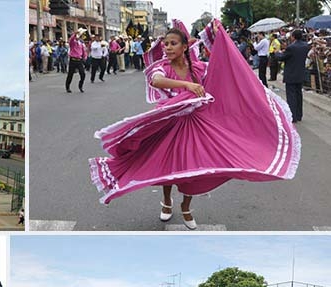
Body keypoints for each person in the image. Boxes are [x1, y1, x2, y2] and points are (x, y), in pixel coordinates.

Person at [89, 19, 299, 229]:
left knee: (194, 166)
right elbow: (157, 81)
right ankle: (167, 202)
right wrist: (187, 84)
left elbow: (221, 67)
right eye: (166, 44)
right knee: (166, 164)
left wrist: (218, 33)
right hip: (168, 122)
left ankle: (186, 207)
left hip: (195, 123)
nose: (168, 47)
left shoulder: (198, 68)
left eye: (173, 43)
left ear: (184, 46)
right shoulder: (162, 67)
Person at [275, 29, 310, 123]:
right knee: (299, 94)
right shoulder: (305, 46)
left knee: (291, 96)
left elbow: (282, 57)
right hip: (300, 73)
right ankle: (299, 115)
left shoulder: (291, 47)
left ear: (293, 36)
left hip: (291, 74)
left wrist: (277, 53)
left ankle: (292, 115)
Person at [66, 28, 87, 93]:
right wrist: (75, 34)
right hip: (73, 60)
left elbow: (84, 52)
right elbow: (71, 40)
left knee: (83, 74)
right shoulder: (73, 43)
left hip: (79, 60)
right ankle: (67, 86)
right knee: (70, 74)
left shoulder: (81, 44)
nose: (79, 38)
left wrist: (85, 58)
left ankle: (80, 86)